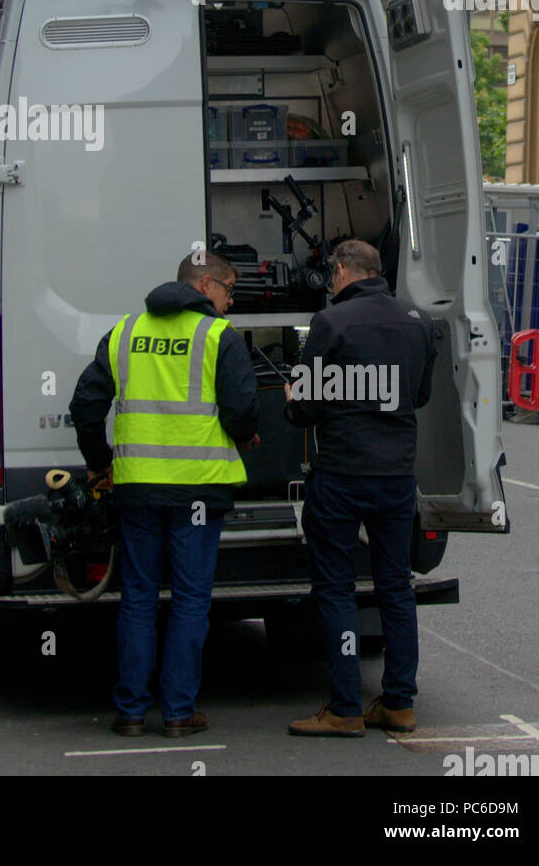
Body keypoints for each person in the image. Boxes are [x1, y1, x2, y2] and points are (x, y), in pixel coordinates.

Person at [69, 250, 260, 737]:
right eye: (227, 290)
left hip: (136, 489)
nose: (230, 302)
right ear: (203, 287)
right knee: (191, 601)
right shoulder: (219, 337)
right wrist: (244, 435)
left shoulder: (125, 333)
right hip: (198, 491)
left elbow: (86, 404)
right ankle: (178, 712)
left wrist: (99, 463)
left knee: (137, 598)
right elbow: (240, 409)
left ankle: (130, 710)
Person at [285, 238, 437, 738]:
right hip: (396, 476)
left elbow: (304, 408)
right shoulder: (418, 322)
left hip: (343, 476)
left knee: (337, 591)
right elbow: (419, 394)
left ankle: (346, 706)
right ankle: (399, 702)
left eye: (332, 272)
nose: (330, 281)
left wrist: (295, 395)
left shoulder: (331, 324)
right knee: (397, 588)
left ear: (345, 271)